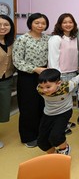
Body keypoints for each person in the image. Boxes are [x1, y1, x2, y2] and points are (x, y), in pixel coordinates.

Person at [12, 13, 50, 148]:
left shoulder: (47, 38)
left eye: (43, 23)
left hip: (44, 76)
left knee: (42, 104)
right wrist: (35, 69)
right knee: (28, 107)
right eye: (37, 23)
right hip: (27, 76)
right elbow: (17, 61)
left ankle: (41, 132)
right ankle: (28, 136)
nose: (40, 25)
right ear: (30, 23)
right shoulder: (22, 39)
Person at [37, 68, 79, 155]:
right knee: (41, 142)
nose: (44, 90)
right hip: (48, 114)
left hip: (64, 112)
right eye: (42, 87)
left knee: (56, 136)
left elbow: (77, 79)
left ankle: (64, 149)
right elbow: (43, 87)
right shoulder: (39, 89)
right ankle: (53, 155)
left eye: (48, 87)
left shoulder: (66, 87)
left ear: (58, 83)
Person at [48, 13, 79, 134]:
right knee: (60, 102)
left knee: (68, 102)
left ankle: (65, 122)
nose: (68, 24)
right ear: (60, 24)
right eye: (65, 22)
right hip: (61, 75)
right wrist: (56, 77)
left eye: (70, 22)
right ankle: (59, 126)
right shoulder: (55, 38)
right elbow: (53, 59)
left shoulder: (73, 38)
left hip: (72, 73)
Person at [0, 14, 15, 148]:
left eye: (6, 24)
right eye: (0, 24)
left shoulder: (11, 42)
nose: (2, 27)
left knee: (2, 109)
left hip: (6, 80)